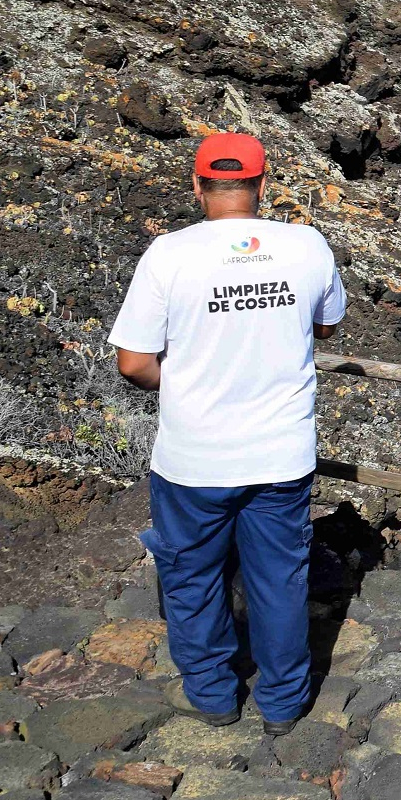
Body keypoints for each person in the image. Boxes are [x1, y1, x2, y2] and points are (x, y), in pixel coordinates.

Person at [110, 132, 346, 735]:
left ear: (198, 185)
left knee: (191, 577)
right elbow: (326, 326)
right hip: (280, 454)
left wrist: (180, 386)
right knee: (279, 580)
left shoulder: (168, 254)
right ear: (262, 184)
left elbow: (133, 363)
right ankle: (284, 703)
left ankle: (214, 696)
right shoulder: (306, 245)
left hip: (194, 457)